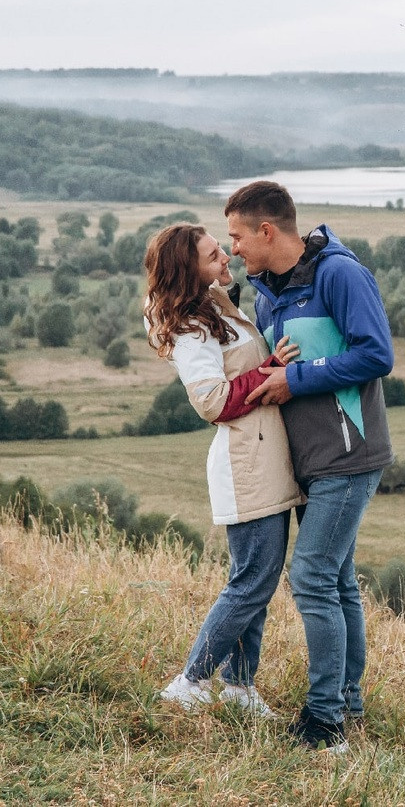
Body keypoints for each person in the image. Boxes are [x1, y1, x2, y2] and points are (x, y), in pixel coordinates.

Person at [226, 181, 394, 752]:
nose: (233, 251)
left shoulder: (339, 274)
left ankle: (325, 725)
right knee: (338, 581)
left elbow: (376, 354)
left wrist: (292, 379)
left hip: (349, 453)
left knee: (312, 578)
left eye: (237, 237)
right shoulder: (265, 292)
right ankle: (347, 703)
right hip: (309, 461)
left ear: (266, 231)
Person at [143, 222, 304, 717]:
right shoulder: (191, 329)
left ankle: (239, 686)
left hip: (263, 457)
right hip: (245, 463)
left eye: (221, 249)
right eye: (214, 256)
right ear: (188, 270)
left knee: (258, 575)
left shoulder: (214, 308)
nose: (225, 259)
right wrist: (267, 369)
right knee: (252, 579)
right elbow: (212, 401)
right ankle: (190, 681)